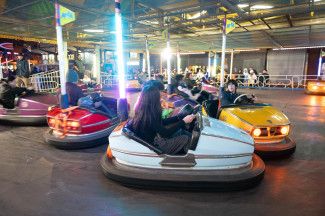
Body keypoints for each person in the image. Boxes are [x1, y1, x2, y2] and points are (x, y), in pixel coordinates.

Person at [128, 83, 196, 155]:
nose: (161, 98)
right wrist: (183, 121)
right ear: (153, 99)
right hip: (154, 147)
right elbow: (165, 133)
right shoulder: (151, 114)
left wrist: (178, 117)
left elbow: (160, 122)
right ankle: (191, 159)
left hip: (153, 140)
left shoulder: (143, 110)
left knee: (180, 131)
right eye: (159, 97)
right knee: (186, 138)